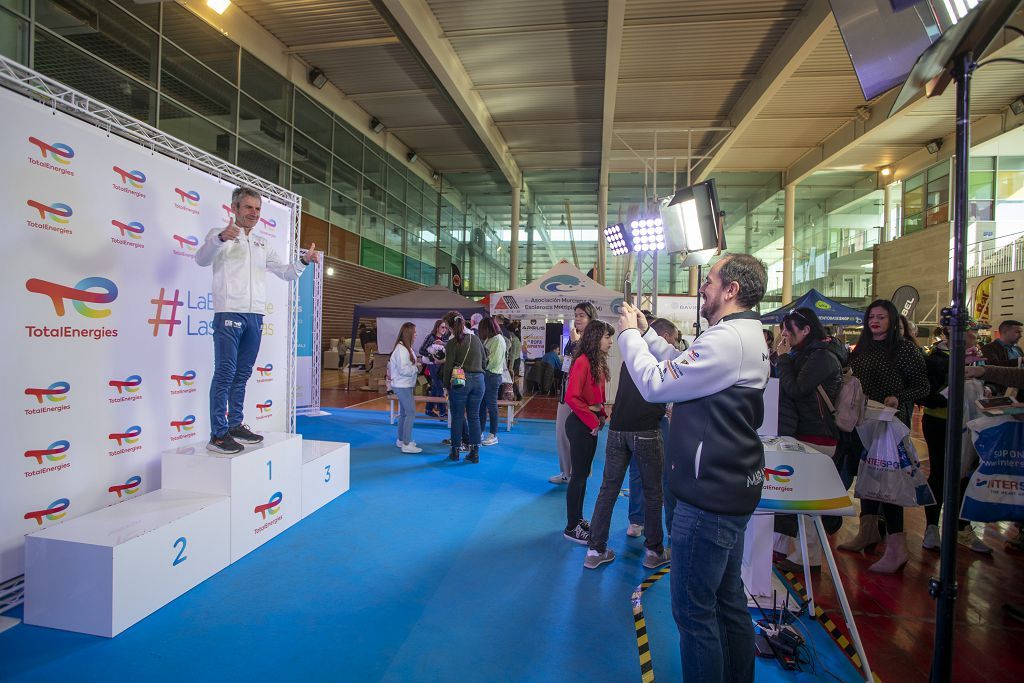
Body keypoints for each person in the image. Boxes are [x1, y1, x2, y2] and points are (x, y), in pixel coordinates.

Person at [618, 253, 769, 683]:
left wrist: (630, 336)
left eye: (711, 280)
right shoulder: (741, 335)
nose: (703, 287)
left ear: (731, 290)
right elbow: (687, 364)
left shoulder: (727, 340)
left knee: (694, 613)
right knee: (727, 603)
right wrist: (647, 333)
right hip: (730, 489)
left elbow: (657, 383)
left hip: (707, 500)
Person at [195, 186, 319, 454]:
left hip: (255, 316)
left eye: (258, 209)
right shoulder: (220, 235)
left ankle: (235, 424)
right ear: (235, 209)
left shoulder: (263, 243)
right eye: (248, 207)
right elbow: (201, 260)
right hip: (229, 312)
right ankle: (217, 435)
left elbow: (287, 273)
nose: (254, 213)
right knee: (225, 373)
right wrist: (219, 239)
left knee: (242, 374)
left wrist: (304, 261)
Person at [837, 299, 929, 573]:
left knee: (889, 483)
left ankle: (897, 546)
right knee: (867, 477)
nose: (875, 321)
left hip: (890, 426)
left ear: (892, 320)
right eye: (871, 316)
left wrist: (898, 397)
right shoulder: (861, 349)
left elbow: (923, 386)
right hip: (862, 423)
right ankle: (868, 531)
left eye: (881, 316)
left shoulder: (904, 350)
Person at [584, 324, 671, 570]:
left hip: (617, 429)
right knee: (653, 492)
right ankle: (654, 551)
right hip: (645, 430)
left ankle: (594, 549)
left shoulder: (631, 361)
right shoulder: (657, 362)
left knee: (608, 490)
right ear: (661, 338)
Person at [772, 307, 846, 572]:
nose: (784, 334)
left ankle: (810, 557)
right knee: (792, 497)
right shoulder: (805, 354)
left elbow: (795, 389)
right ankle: (781, 545)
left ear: (806, 330)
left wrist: (781, 359)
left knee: (806, 502)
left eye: (789, 330)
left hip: (817, 436)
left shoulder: (822, 357)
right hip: (802, 433)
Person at [919, 325, 992, 553]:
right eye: (970, 332)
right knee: (940, 473)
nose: (975, 336)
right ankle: (932, 527)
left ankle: (962, 527)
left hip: (972, 422)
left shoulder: (978, 357)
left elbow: (990, 384)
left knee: (966, 474)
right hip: (941, 422)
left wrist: (985, 389)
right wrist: (954, 391)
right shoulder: (936, 359)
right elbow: (927, 395)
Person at [562, 320, 614, 544]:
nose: (610, 342)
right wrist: (592, 419)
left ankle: (578, 519)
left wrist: (600, 414)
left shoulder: (597, 363)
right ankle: (571, 526)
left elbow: (597, 398)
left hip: (588, 422)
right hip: (580, 424)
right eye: (606, 337)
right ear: (595, 339)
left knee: (582, 476)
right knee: (578, 478)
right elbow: (571, 397)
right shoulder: (583, 362)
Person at [551, 302, 597, 484]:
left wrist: (577, 342)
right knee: (561, 432)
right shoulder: (573, 337)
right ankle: (565, 472)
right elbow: (568, 363)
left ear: (590, 318)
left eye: (582, 315)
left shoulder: (594, 338)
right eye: (576, 315)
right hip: (567, 390)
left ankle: (580, 473)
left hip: (582, 394)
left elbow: (589, 363)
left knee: (580, 435)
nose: (577, 319)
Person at [443, 314, 486, 463]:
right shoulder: (476, 339)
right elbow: (484, 360)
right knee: (474, 416)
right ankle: (474, 452)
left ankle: (455, 451)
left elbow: (448, 366)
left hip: (461, 380)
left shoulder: (452, 342)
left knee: (458, 416)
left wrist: (445, 386)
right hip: (479, 381)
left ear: (450, 326)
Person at [389, 323, 422, 454]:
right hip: (402, 385)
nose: (416, 334)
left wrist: (415, 366)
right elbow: (403, 369)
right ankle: (407, 443)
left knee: (404, 413)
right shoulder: (401, 350)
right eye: (414, 332)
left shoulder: (404, 348)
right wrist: (416, 368)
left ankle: (402, 440)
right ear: (409, 334)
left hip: (405, 384)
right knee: (411, 413)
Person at [478, 316, 506, 446]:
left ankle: (493, 434)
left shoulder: (497, 340)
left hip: (492, 376)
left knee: (491, 405)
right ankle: (480, 431)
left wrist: (479, 368)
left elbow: (492, 361)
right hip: (486, 375)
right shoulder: (490, 339)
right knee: (482, 405)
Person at [418, 319, 450, 420]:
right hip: (432, 365)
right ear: (437, 328)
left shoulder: (445, 338)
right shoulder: (431, 337)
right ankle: (442, 412)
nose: (444, 329)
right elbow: (421, 350)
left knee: (436, 388)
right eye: (442, 327)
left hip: (442, 365)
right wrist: (432, 357)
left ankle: (428, 409)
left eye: (445, 327)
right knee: (440, 387)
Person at [981, 319, 1023, 394]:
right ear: (1005, 332)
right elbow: (994, 366)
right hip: (1001, 391)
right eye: (1017, 332)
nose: (1020, 335)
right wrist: (1020, 360)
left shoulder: (1018, 349)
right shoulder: (989, 348)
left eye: (1021, 332)